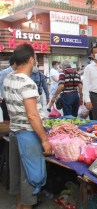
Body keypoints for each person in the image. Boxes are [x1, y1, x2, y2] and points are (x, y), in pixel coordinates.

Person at [5, 44, 51, 209]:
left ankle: (19, 205)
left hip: (14, 133)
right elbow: (32, 115)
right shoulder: (27, 83)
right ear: (31, 59)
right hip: (28, 136)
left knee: (16, 173)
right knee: (31, 177)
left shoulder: (9, 78)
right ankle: (26, 206)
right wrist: (44, 140)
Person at [0, 55, 17, 121]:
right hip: (6, 100)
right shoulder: (5, 72)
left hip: (15, 100)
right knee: (7, 120)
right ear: (15, 62)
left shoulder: (17, 73)